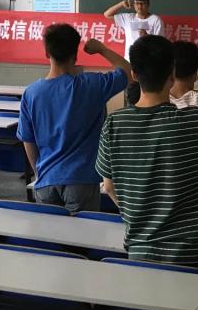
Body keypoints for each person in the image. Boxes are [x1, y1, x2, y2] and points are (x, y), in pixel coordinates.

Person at [97, 35, 198, 269]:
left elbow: (109, 186)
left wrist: (141, 220)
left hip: (141, 249)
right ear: (172, 76)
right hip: (197, 251)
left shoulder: (114, 124)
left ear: (133, 74)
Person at [17, 24, 132, 214]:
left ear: (47, 53)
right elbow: (129, 72)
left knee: (49, 233)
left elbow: (28, 140)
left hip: (46, 180)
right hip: (82, 180)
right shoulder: (92, 84)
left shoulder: (31, 93)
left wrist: (40, 174)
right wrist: (102, 49)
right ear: (75, 55)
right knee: (82, 233)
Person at [103, 0, 164, 105]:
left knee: (147, 97)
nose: (139, 6)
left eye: (143, 3)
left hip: (149, 65)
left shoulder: (156, 20)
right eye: (137, 3)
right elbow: (107, 14)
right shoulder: (128, 17)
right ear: (134, 4)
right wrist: (121, 4)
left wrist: (147, 37)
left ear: (148, 4)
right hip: (129, 64)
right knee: (130, 95)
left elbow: (160, 45)